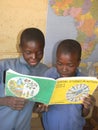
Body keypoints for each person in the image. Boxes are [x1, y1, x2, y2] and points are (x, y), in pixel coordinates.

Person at [0, 27, 48, 130]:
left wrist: (40, 107)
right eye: (28, 52)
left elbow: (35, 106)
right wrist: (5, 101)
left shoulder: (45, 72)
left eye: (39, 52)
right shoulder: (3, 66)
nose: (34, 57)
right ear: (20, 48)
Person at [42, 39, 96, 130]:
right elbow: (41, 103)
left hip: (74, 127)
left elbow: (83, 114)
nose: (64, 69)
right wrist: (42, 103)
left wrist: (86, 107)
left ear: (78, 62)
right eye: (59, 63)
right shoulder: (49, 75)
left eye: (70, 65)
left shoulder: (83, 82)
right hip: (51, 126)